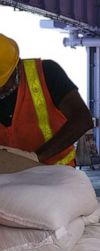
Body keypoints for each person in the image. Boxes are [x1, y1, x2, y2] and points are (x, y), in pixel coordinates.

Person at [0, 33, 93, 166]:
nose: (0, 90)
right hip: (10, 175)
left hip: (57, 173)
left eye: (3, 82)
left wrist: (35, 157)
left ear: (18, 65)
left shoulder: (46, 73)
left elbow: (82, 119)